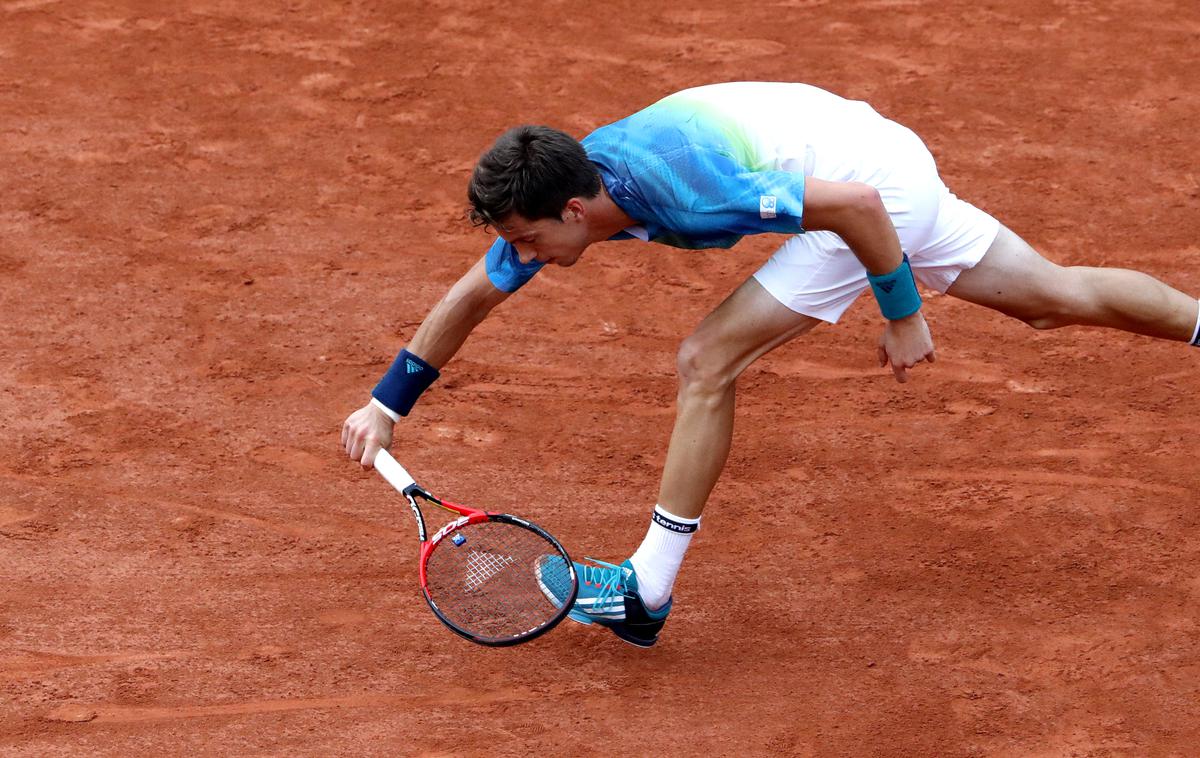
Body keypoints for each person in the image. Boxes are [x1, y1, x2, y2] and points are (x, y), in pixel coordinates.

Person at [341, 82, 1200, 647]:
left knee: (707, 359)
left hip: (867, 186)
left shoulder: (678, 188)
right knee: (1051, 298)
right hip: (870, 148)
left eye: (526, 238)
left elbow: (857, 208)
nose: (520, 255)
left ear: (572, 209)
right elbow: (471, 296)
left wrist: (902, 314)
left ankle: (646, 590)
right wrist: (389, 404)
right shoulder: (568, 193)